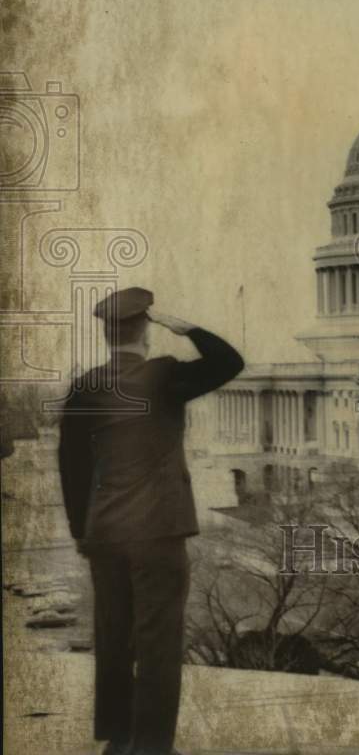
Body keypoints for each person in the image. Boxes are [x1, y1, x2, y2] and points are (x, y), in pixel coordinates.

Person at [57, 287, 244, 755]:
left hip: (105, 534)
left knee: (113, 637)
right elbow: (229, 363)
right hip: (158, 532)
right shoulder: (163, 376)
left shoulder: (86, 386)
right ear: (145, 331)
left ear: (107, 335)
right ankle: (152, 747)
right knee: (158, 642)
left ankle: (118, 741)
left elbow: (72, 468)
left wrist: (83, 531)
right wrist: (188, 328)